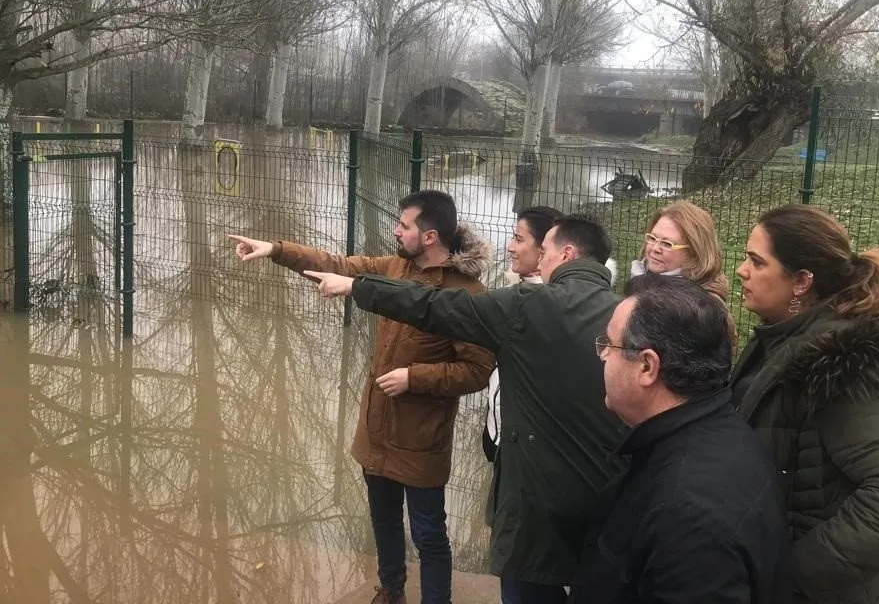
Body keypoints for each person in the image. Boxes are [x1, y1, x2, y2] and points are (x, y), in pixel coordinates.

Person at [303, 214, 628, 604]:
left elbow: (435, 306)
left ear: (567, 254)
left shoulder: (528, 305)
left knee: (525, 586)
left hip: (535, 502)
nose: (538, 260)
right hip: (610, 495)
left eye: (543, 251)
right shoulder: (629, 313)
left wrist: (359, 289)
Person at [228, 190, 495, 604]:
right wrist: (275, 250)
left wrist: (414, 377)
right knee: (383, 521)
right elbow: (337, 265)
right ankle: (391, 591)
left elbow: (477, 370)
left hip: (421, 438)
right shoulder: (394, 269)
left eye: (404, 225)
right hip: (376, 428)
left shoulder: (468, 295)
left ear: (429, 236)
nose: (395, 229)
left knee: (429, 533)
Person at [732, 204, 879, 604]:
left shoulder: (834, 368)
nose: (742, 270)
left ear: (802, 281)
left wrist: (793, 572)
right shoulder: (781, 341)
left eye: (756, 261)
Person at [570, 274, 789, 604]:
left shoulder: (688, 516)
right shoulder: (722, 434)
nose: (601, 356)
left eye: (609, 345)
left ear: (647, 366)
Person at [484, 206, 564, 462]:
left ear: (545, 249)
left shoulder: (555, 310)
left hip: (528, 453)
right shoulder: (516, 294)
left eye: (518, 239)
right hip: (499, 435)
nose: (509, 247)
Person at [629, 199, 736, 345]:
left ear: (694, 252)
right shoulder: (640, 279)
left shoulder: (706, 309)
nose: (655, 248)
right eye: (652, 238)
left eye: (667, 244)